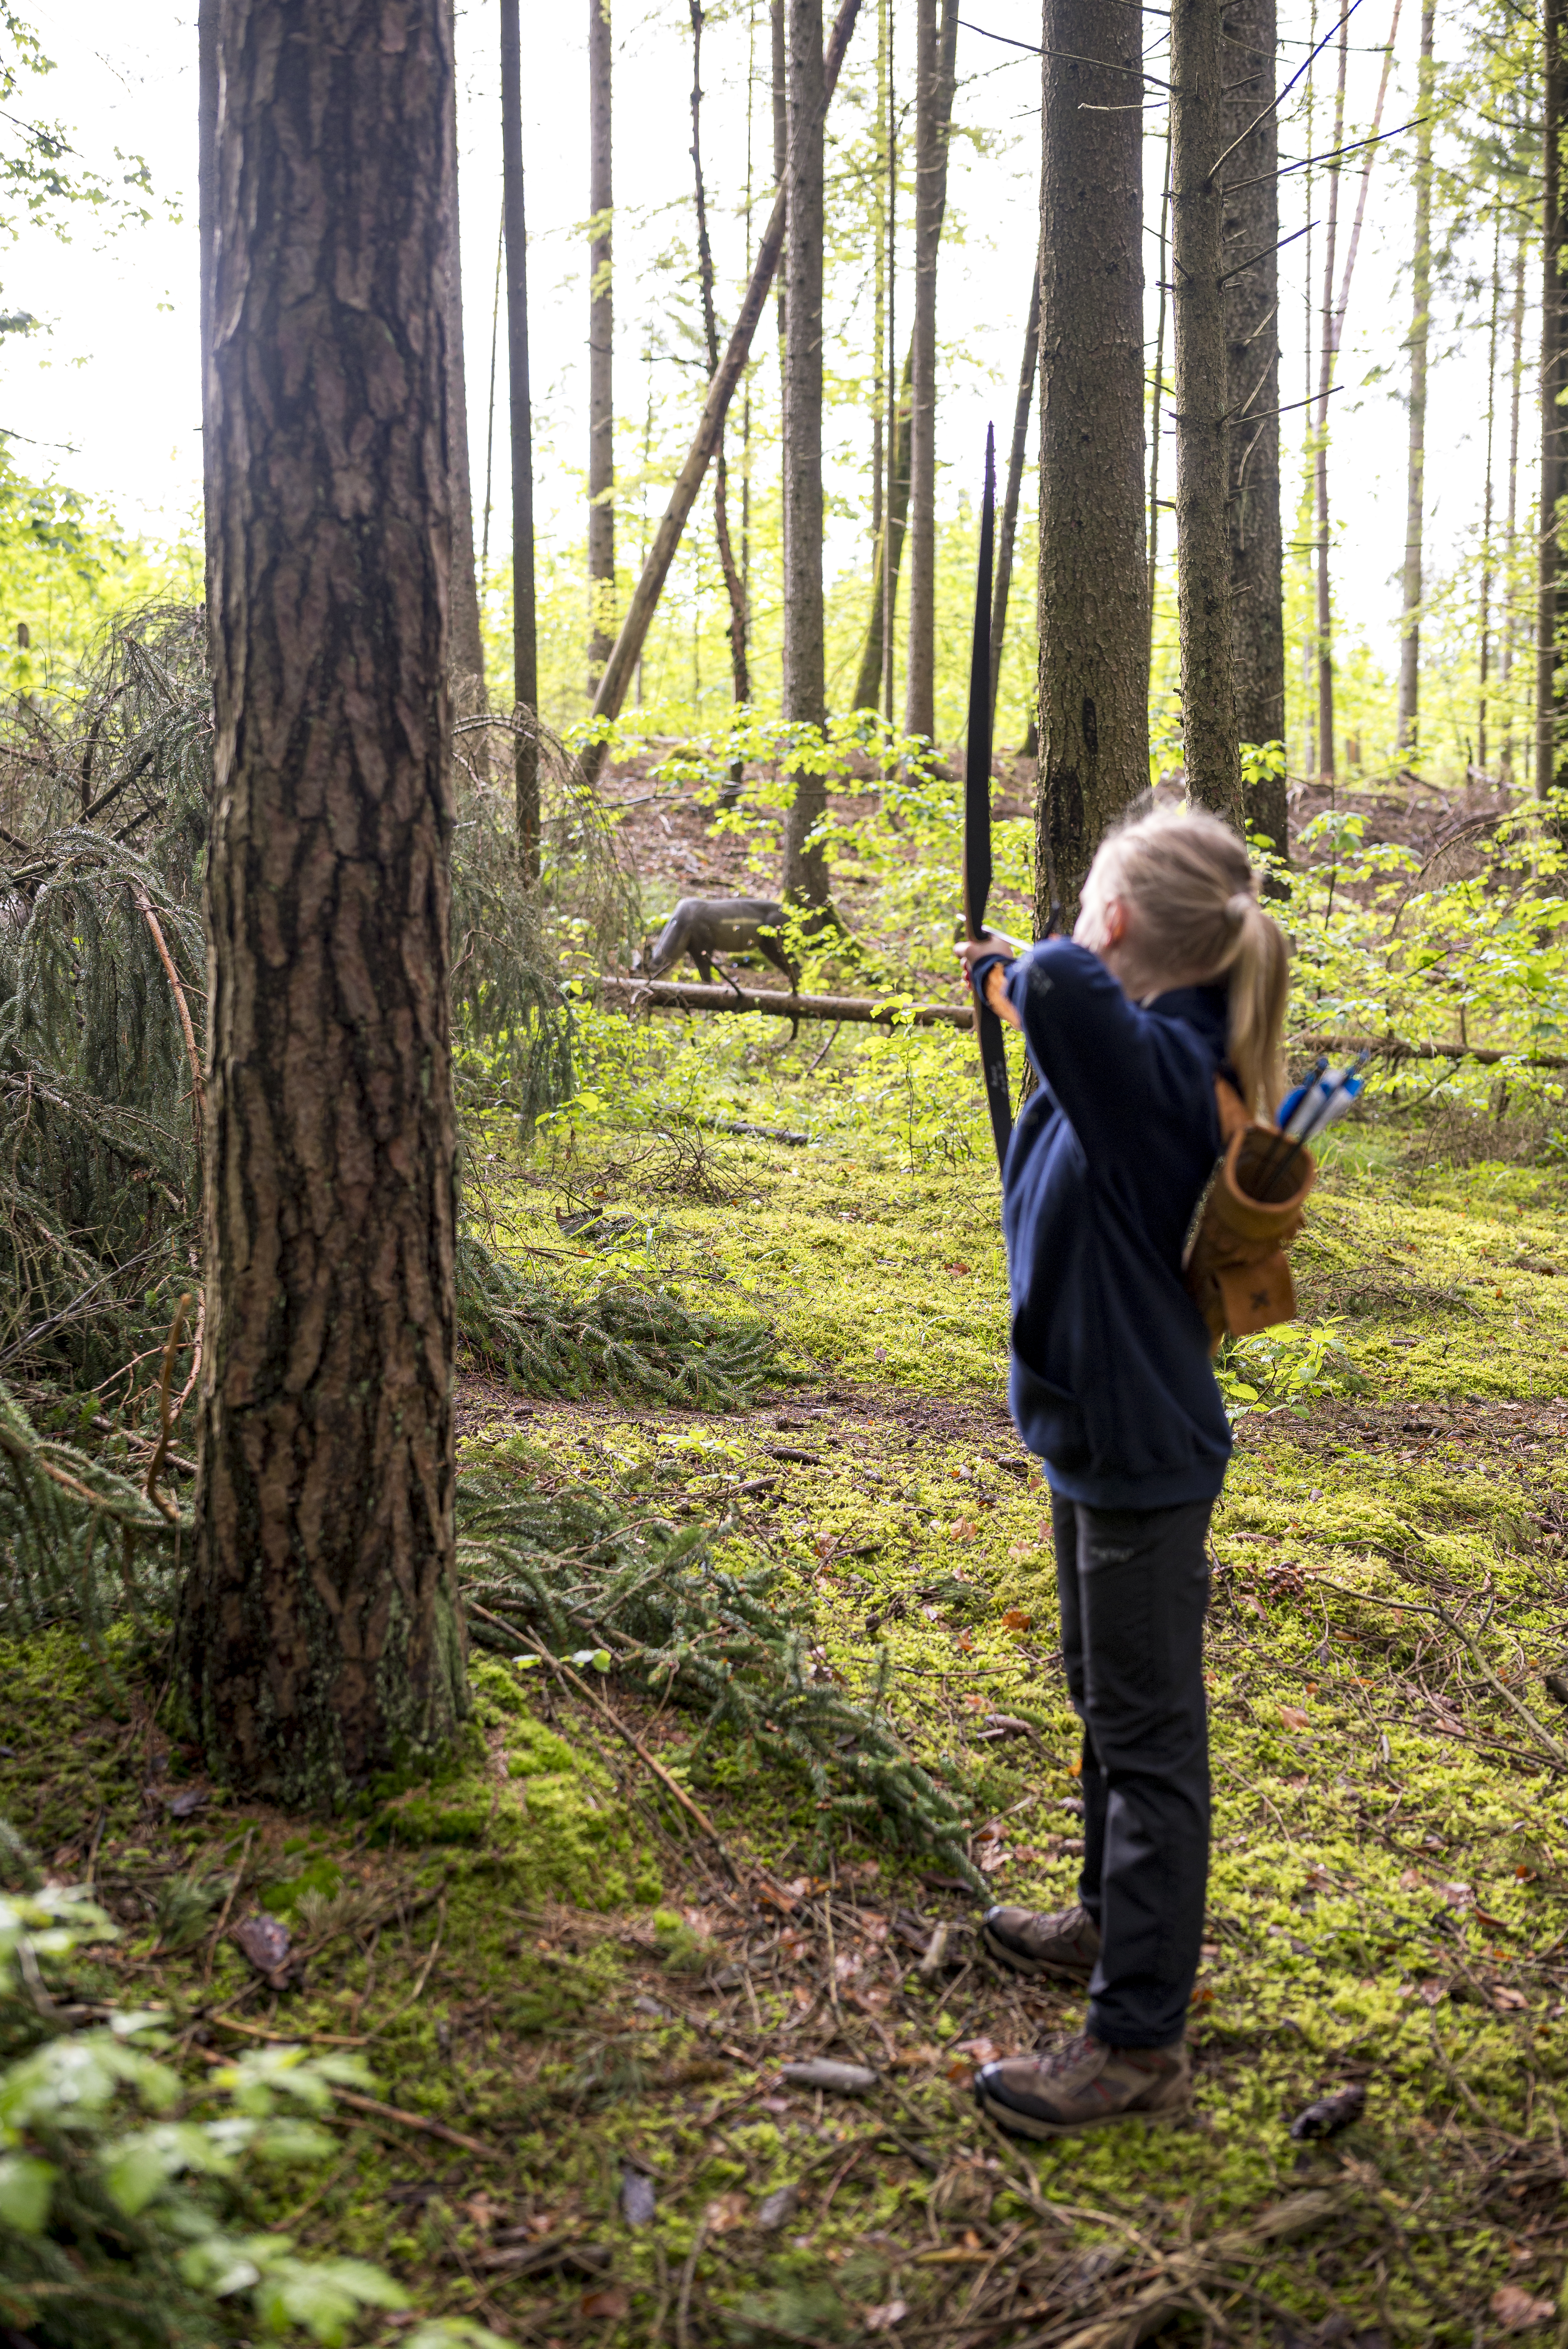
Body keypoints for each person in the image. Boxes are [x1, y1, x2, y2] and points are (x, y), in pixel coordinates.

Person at [954, 802, 1289, 2139]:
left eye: (1097, 903)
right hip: (1095, 1435)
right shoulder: (1133, 1056)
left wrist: (1039, 962)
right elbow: (1049, 997)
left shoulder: (1161, 1060)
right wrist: (1011, 980)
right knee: (1101, 1695)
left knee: (1150, 1740)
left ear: (1127, 926)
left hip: (1143, 1454)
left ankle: (1139, 2039)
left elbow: (1060, 984)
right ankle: (1108, 1916)